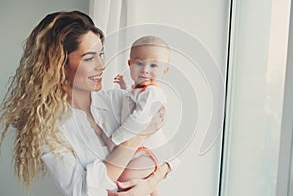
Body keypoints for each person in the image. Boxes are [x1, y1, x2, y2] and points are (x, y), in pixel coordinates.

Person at [0, 11, 171, 196]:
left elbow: (170, 154)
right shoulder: (48, 130)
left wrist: (150, 183)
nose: (102, 65)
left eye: (100, 55)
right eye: (89, 58)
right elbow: (81, 191)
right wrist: (134, 139)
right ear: (59, 65)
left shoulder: (118, 100)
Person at [97, 36, 180, 196]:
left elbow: (138, 119)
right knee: (139, 181)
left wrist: (115, 139)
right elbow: (131, 98)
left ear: (165, 70)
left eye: (153, 65)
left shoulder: (153, 92)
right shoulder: (139, 90)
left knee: (123, 179)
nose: (145, 69)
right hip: (142, 150)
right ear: (129, 65)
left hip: (151, 150)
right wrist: (124, 86)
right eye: (139, 63)